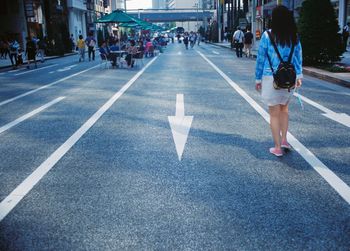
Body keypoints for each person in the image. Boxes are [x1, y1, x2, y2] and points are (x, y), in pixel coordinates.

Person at [255, 5, 303, 157]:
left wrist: (257, 78)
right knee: (284, 109)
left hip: (271, 78)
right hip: (289, 77)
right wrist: (299, 76)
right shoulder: (294, 36)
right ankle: (284, 140)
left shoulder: (267, 36)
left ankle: (277, 147)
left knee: (274, 113)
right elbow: (298, 57)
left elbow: (261, 58)